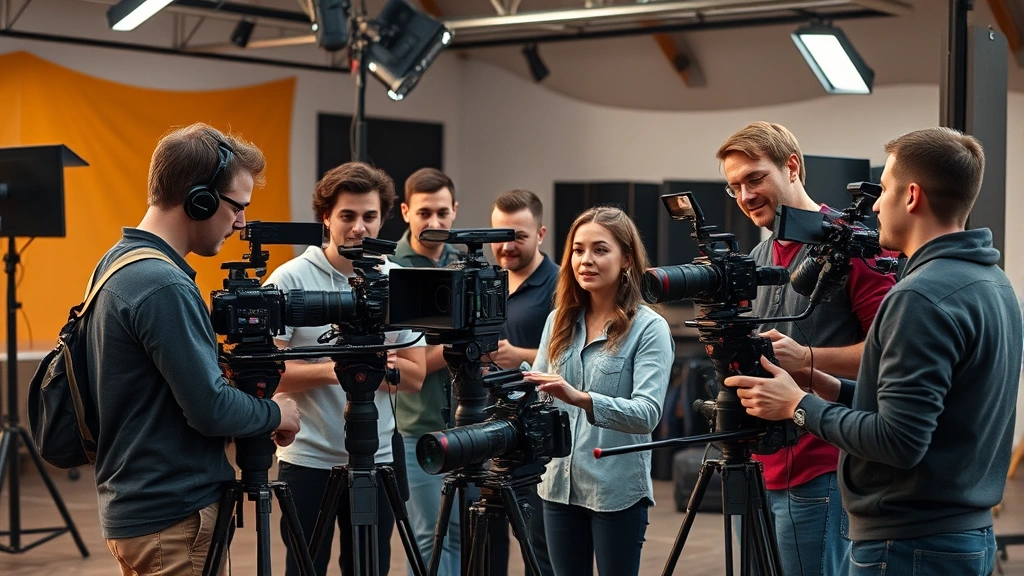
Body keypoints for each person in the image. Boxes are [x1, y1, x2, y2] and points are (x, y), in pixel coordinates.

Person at [725, 127, 1023, 575]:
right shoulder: (994, 283)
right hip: (957, 531)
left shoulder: (920, 296)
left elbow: (899, 441)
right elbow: (927, 411)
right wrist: (828, 385)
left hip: (908, 541)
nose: (876, 205)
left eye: (883, 189)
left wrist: (798, 405)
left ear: (912, 196)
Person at [87, 123, 300, 576]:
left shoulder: (118, 263)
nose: (241, 222)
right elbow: (210, 409)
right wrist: (276, 414)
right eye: (237, 207)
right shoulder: (162, 283)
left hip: (140, 507)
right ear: (198, 200)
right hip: (173, 515)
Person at [716, 121, 895, 575]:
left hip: (822, 464)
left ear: (791, 167)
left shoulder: (851, 247)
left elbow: (889, 355)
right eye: (734, 186)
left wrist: (810, 358)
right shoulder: (755, 260)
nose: (745, 195)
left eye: (755, 179)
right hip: (757, 460)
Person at [264, 162, 427, 576]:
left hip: (379, 457)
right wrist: (339, 366)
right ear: (326, 218)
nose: (359, 228)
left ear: (383, 218)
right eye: (347, 216)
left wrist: (378, 366)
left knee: (369, 568)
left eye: (369, 216)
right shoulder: (289, 279)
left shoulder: (398, 281)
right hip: (307, 460)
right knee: (305, 568)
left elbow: (415, 375)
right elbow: (268, 372)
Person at [523, 206, 673, 576]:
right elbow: (540, 393)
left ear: (626, 258)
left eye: (600, 250)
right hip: (557, 483)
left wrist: (580, 398)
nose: (585, 260)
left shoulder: (649, 328)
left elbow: (648, 414)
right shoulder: (557, 320)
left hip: (616, 489)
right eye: (578, 250)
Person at [392, 167, 463, 576]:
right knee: (429, 534)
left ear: (454, 211)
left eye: (442, 212)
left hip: (466, 421)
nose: (434, 223)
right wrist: (454, 348)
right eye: (424, 213)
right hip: (416, 425)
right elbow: (404, 359)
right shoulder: (392, 268)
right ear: (405, 211)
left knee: (458, 532)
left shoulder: (462, 260)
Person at [488, 189, 559, 576]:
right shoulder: (491, 282)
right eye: (499, 237)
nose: (507, 247)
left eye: (518, 236)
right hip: (491, 426)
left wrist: (520, 357)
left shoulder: (561, 286)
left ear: (541, 233)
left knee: (538, 545)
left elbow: (570, 357)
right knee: (486, 537)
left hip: (535, 434)